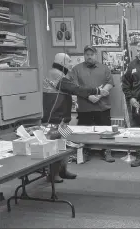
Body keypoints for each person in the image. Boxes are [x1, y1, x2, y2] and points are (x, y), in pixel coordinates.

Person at [42, 53, 109, 183]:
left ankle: (62, 170)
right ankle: (53, 174)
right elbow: (75, 88)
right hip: (54, 119)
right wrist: (97, 91)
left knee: (65, 144)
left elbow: (73, 88)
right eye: (68, 62)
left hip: (62, 119)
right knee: (56, 146)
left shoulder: (59, 74)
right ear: (61, 62)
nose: (71, 65)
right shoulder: (55, 74)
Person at [68, 45, 115, 163]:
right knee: (84, 131)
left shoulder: (104, 68)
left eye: (91, 54)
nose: (89, 57)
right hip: (85, 107)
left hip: (102, 106)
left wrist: (98, 96)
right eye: (87, 54)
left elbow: (110, 83)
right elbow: (74, 87)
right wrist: (89, 96)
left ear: (96, 55)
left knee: (106, 130)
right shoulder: (76, 69)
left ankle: (106, 151)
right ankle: (85, 151)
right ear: (84, 55)